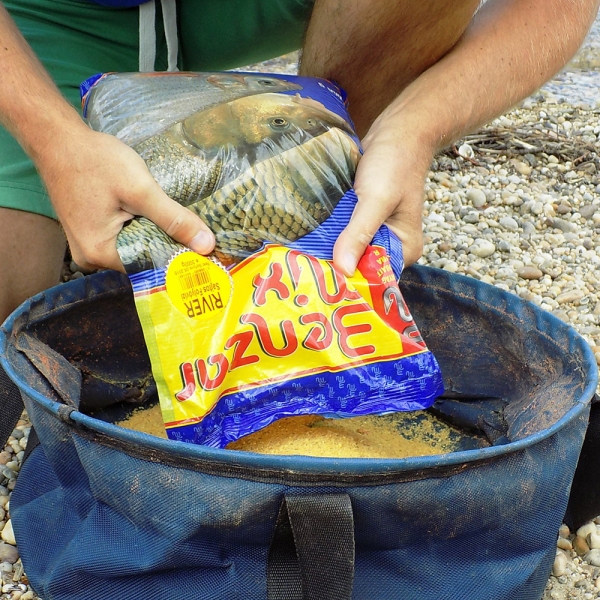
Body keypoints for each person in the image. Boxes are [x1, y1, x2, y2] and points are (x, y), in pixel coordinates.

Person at [0, 0, 598, 329]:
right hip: (49, 12)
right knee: (12, 293)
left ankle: (325, 229)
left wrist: (411, 130)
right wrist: (56, 144)